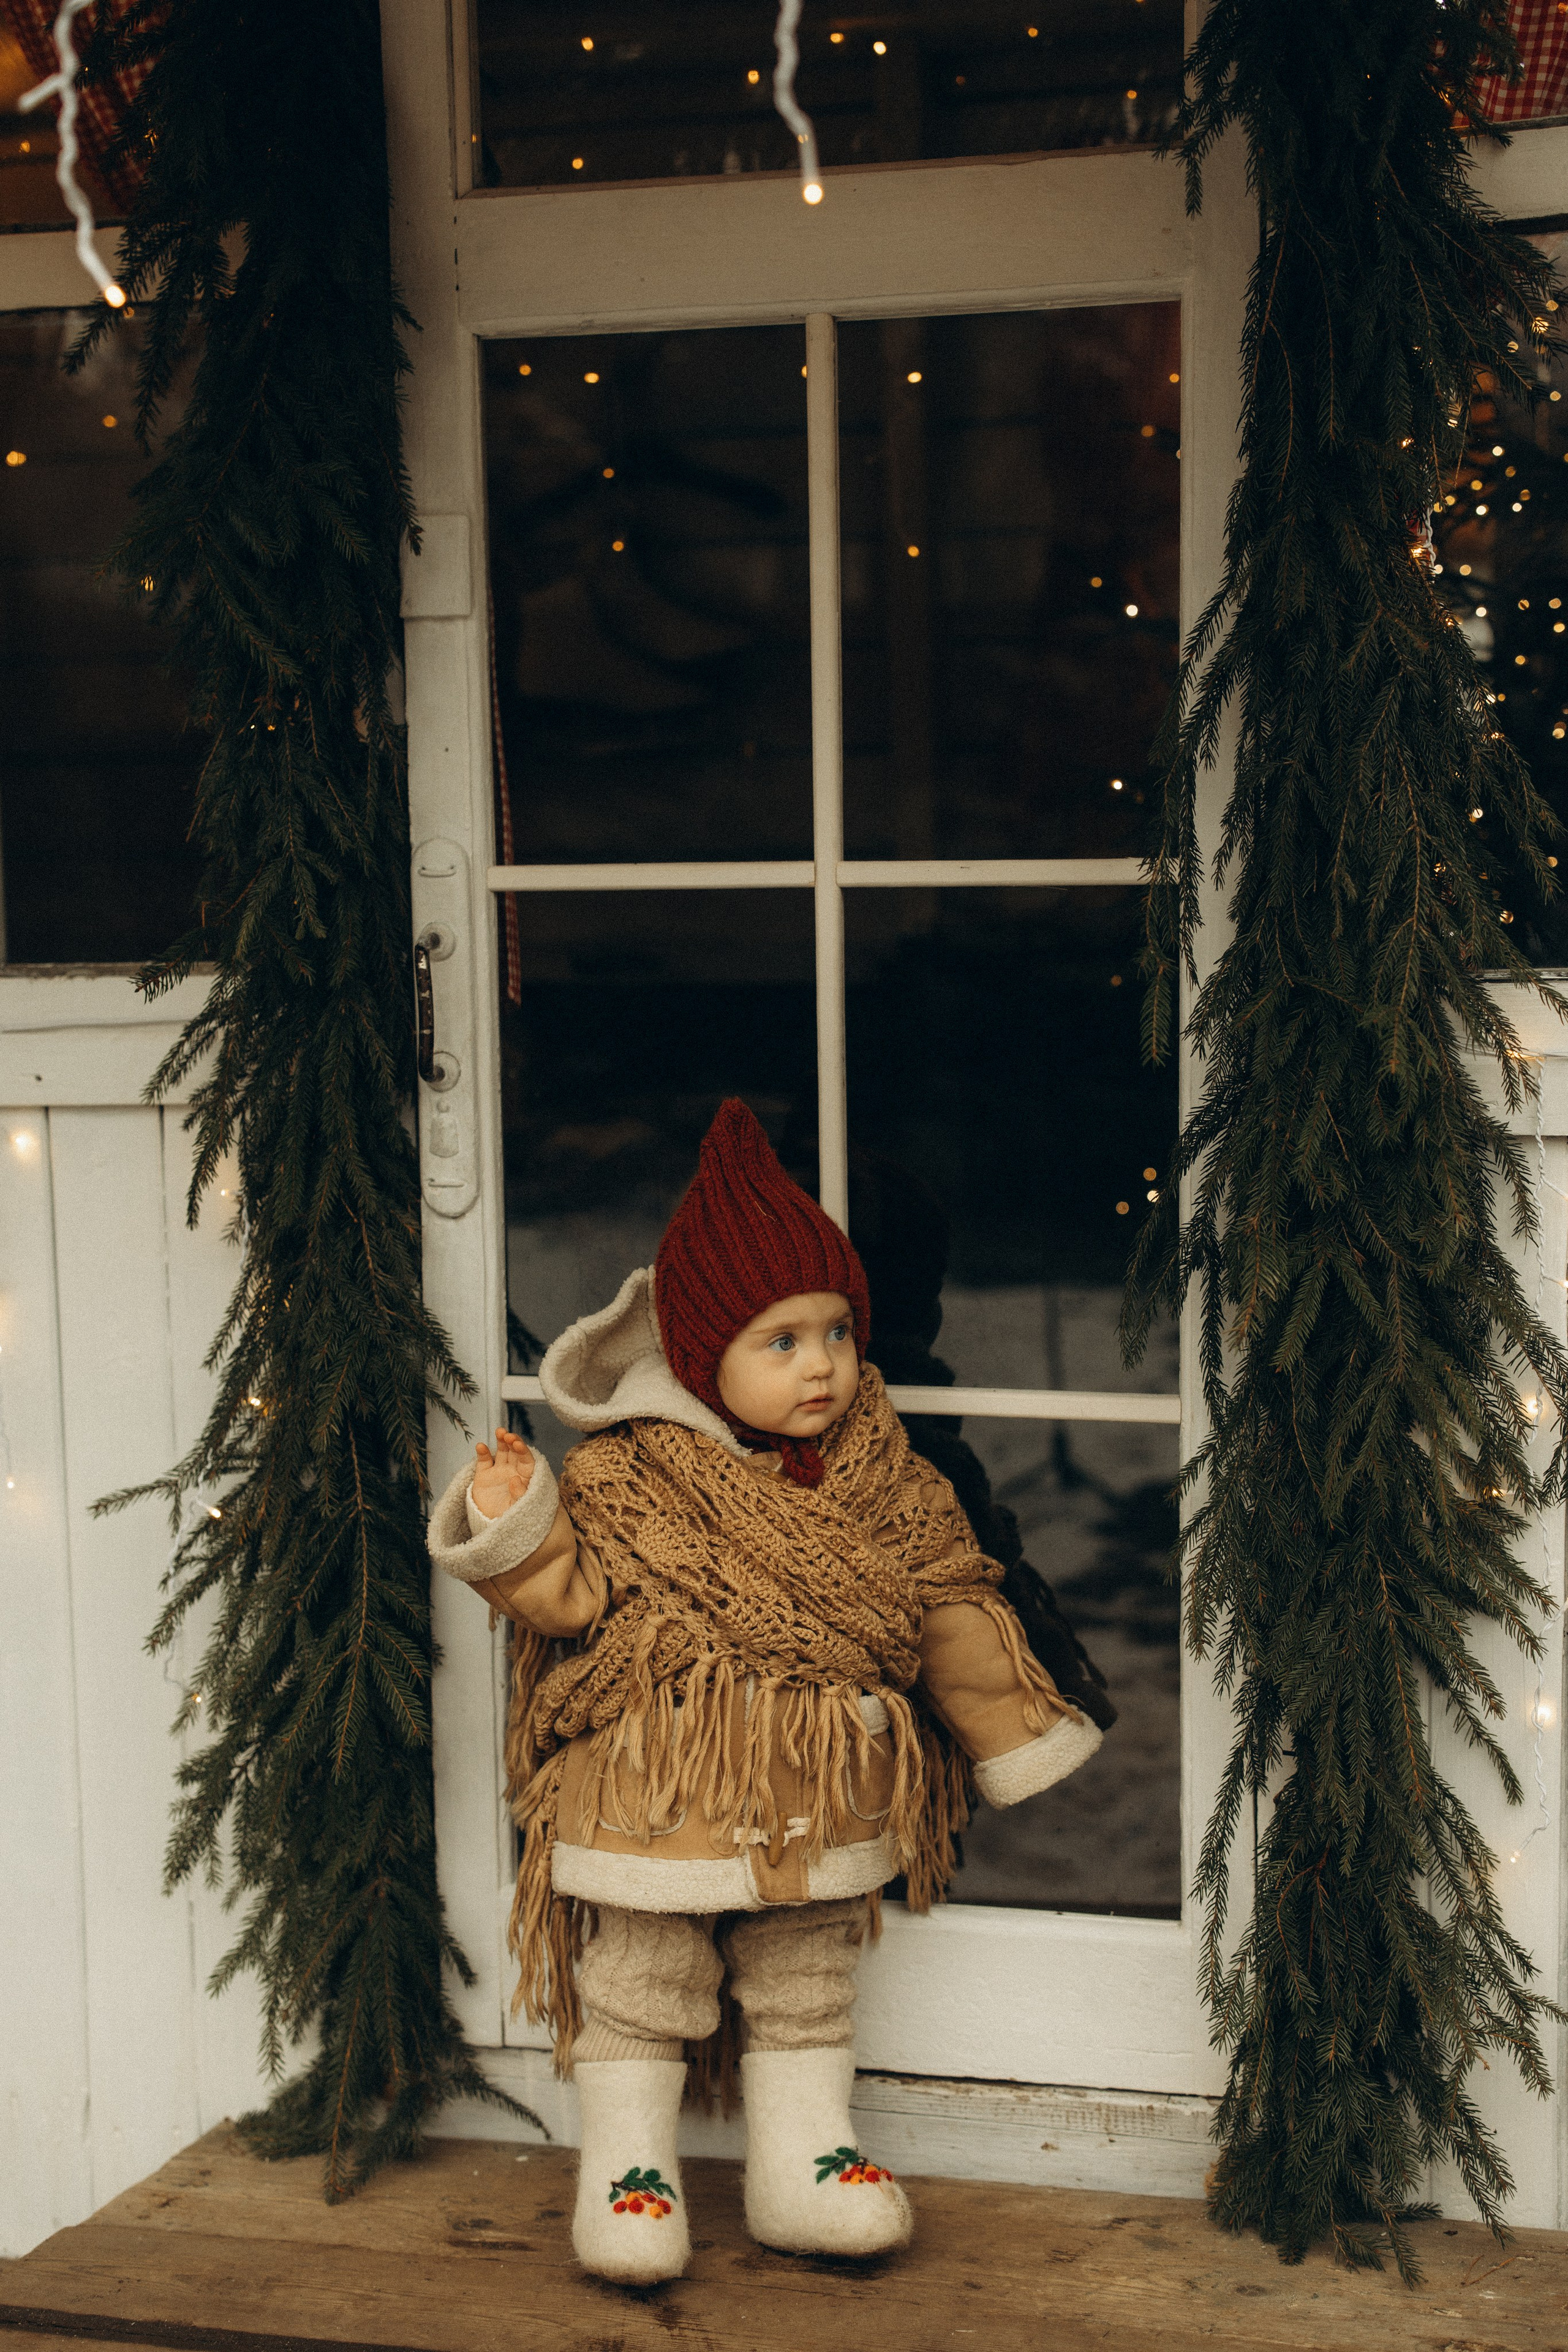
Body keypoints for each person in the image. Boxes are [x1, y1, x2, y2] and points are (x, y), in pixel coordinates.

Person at [428, 1099, 1103, 2283]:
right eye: (780, 1340)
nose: (823, 1367)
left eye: (837, 1332)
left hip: (815, 1788)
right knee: (642, 1979)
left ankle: (804, 2166)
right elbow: (568, 1598)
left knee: (806, 1974)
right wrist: (511, 1517)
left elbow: (945, 1603)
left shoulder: (886, 1471)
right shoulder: (634, 1474)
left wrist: (1016, 1737)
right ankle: (629, 2177)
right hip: (661, 1786)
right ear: (702, 1357)